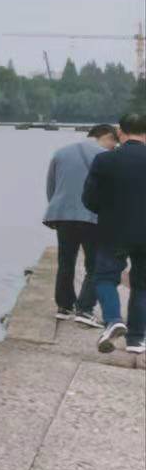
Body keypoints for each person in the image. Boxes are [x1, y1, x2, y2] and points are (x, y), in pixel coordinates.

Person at [43, 124, 119, 325]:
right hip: (92, 217)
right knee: (95, 265)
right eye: (114, 143)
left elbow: (51, 187)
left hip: (63, 215)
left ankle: (64, 307)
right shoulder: (106, 157)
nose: (114, 147)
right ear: (107, 137)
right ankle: (84, 309)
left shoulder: (61, 153)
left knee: (66, 262)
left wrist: (58, 211)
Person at [84, 110, 146, 354]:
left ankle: (113, 319)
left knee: (104, 277)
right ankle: (136, 339)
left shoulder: (104, 160)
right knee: (143, 285)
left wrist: (107, 210)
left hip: (113, 230)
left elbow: (89, 199)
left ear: (120, 132)